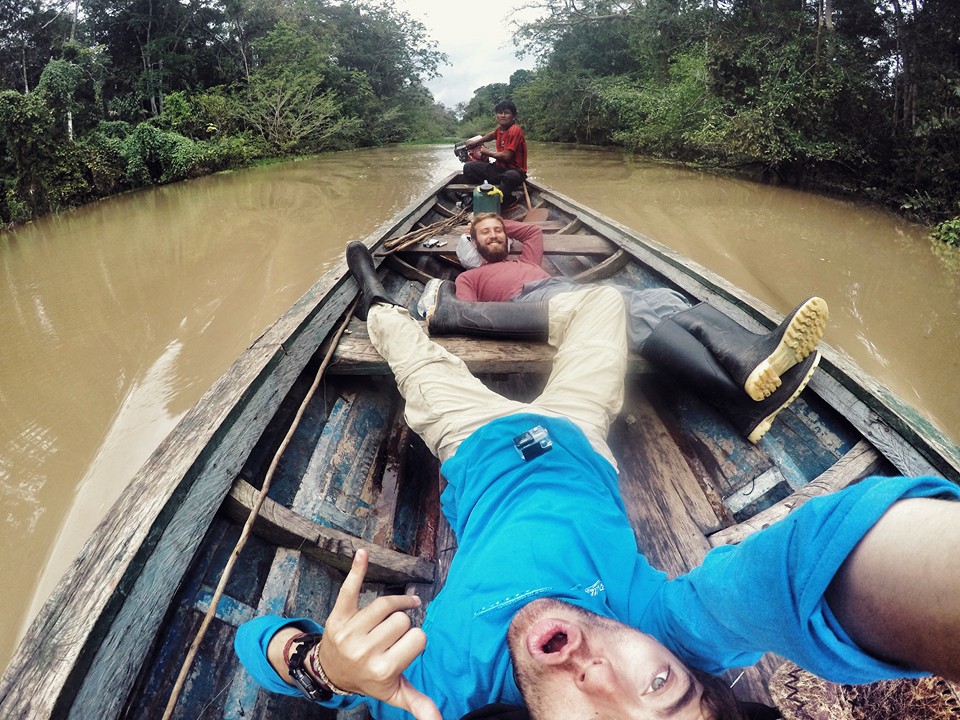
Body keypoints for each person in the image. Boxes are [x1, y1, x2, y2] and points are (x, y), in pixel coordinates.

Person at [234, 242, 960, 720]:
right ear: (688, 668)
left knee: (395, 337)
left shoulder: (441, 683)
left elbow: (254, 641)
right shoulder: (670, 624)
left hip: (472, 442)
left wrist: (320, 667)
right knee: (604, 303)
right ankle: (456, 307)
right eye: (660, 689)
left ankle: (391, 303)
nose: (597, 673)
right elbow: (814, 566)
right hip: (578, 433)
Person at [424, 212, 828, 443]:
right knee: (620, 307)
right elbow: (471, 317)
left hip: (562, 287)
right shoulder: (471, 279)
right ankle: (742, 400)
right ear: (474, 246)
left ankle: (746, 358)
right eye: (485, 234)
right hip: (528, 307)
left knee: (662, 298)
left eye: (497, 231)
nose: (494, 236)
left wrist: (497, 221)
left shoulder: (526, 254)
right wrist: (472, 249)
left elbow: (530, 230)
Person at [461, 101, 528, 211]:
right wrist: (476, 142)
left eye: (506, 113)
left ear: (514, 116)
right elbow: (491, 135)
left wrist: (488, 153)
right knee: (468, 167)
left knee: (511, 176)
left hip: (515, 171)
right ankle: (473, 196)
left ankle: (506, 202)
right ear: (496, 116)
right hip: (498, 169)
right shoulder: (500, 130)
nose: (502, 115)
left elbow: (507, 156)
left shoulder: (515, 130)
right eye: (499, 113)